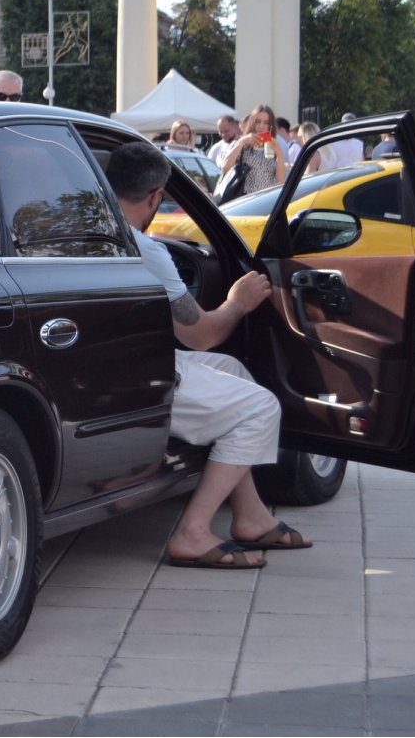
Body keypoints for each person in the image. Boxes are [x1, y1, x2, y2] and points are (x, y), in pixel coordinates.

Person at [105, 141, 310, 569]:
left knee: (232, 370)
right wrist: (237, 302)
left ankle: (250, 514)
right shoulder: (146, 251)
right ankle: (192, 532)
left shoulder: (83, 232)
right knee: (261, 408)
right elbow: (201, 336)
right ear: (156, 196)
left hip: (107, 369)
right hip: (139, 378)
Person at [219, 104, 287, 194]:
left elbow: (280, 182)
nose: (261, 126)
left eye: (266, 122)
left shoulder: (273, 146)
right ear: (252, 123)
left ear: (271, 126)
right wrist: (241, 142)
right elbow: (225, 168)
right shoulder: (242, 143)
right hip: (244, 200)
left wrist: (279, 155)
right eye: (258, 122)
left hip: (266, 200)